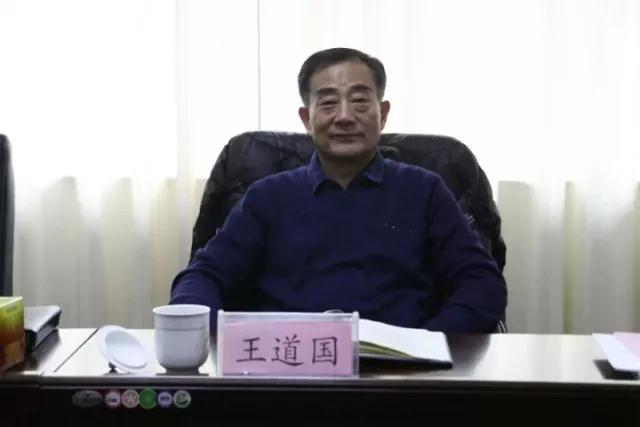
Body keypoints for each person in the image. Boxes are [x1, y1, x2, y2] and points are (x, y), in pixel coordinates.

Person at [170, 47, 507, 333]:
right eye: (328, 103)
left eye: (360, 101)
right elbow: (203, 276)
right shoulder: (267, 196)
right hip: (290, 366)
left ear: (383, 113)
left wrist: (429, 344)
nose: (345, 116)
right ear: (307, 118)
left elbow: (481, 283)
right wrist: (222, 340)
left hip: (401, 370)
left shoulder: (424, 190)